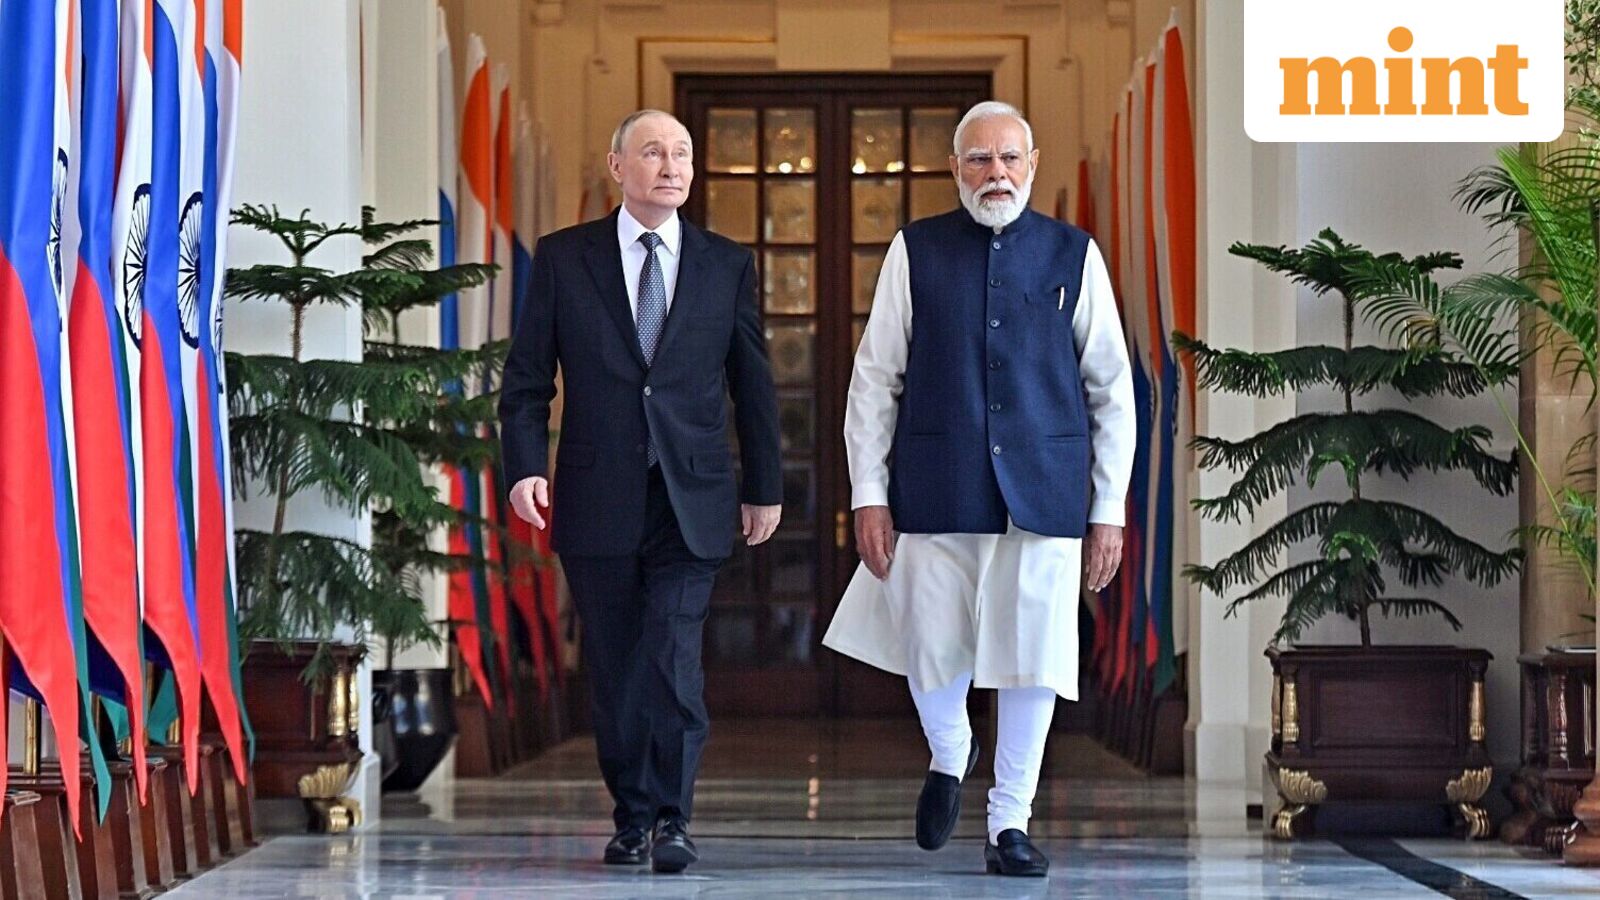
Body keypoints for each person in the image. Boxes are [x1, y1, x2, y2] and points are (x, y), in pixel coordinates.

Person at [823, 100, 1135, 877]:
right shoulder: (916, 249)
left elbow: (1112, 389)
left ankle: (1009, 823)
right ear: (954, 169)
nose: (995, 173)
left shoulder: (1074, 254)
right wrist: (868, 491)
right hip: (935, 482)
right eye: (978, 159)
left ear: (1032, 165)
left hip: (1047, 491)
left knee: (1034, 656)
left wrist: (1109, 508)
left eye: (1008, 158)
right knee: (933, 642)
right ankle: (950, 747)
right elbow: (874, 379)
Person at [499, 109, 782, 874]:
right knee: (619, 666)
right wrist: (525, 464)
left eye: (682, 153)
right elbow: (526, 380)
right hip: (597, 496)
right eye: (653, 151)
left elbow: (752, 384)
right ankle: (630, 816)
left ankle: (673, 818)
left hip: (692, 498)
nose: (671, 164)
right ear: (617, 165)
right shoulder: (564, 259)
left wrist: (766, 486)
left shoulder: (727, 264)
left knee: (674, 656)